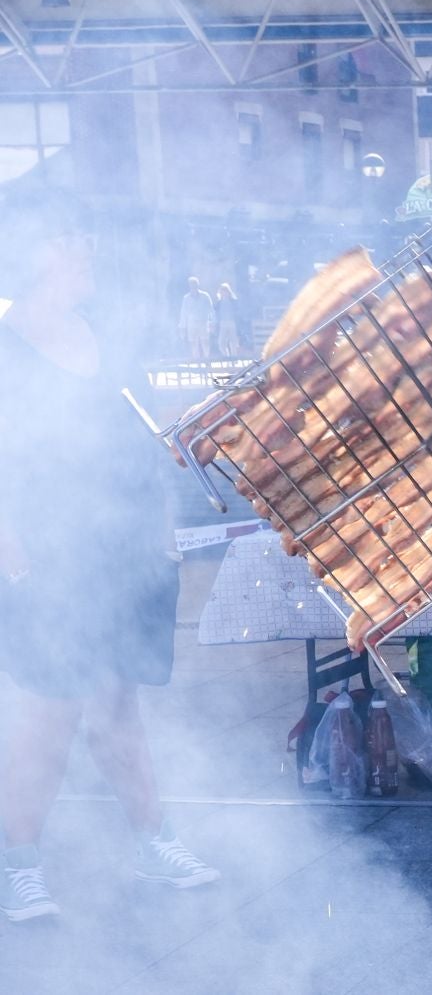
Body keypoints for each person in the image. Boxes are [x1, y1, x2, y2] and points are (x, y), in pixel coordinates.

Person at [0, 199, 220, 924]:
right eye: (72, 235)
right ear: (37, 252)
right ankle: (18, 864)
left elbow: (142, 445)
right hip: (45, 552)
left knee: (118, 701)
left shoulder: (106, 337)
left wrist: (161, 532)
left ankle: (152, 839)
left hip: (124, 547)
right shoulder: (7, 346)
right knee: (49, 712)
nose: (86, 247)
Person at [177, 276, 213, 364]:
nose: (193, 286)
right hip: (191, 323)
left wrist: (212, 322)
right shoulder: (186, 298)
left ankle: (207, 360)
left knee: (205, 341)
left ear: (197, 285)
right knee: (193, 343)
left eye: (194, 284)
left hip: (203, 322)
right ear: (189, 286)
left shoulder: (205, 296)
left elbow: (210, 309)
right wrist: (182, 327)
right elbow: (184, 312)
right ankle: (197, 361)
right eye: (191, 285)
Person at [213, 281, 244, 360]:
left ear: (228, 291)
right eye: (222, 291)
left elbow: (238, 313)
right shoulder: (219, 303)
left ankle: (234, 358)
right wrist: (216, 323)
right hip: (222, 323)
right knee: (221, 343)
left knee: (233, 342)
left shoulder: (233, 301)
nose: (224, 292)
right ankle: (226, 356)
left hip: (232, 323)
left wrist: (238, 324)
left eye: (225, 291)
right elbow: (216, 313)